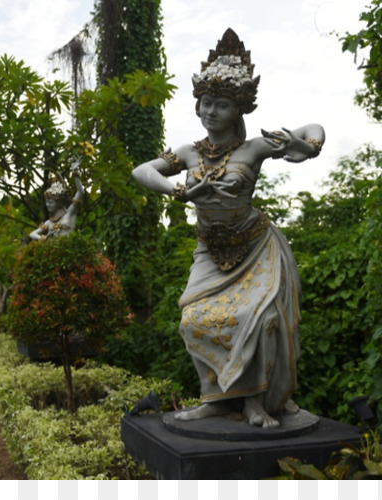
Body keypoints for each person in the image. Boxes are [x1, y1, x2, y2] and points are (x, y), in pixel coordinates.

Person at [131, 28, 325, 429]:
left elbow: (313, 129)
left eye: (221, 104)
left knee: (261, 319)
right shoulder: (188, 153)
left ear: (238, 109)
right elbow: (142, 170)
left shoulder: (252, 148)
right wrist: (179, 190)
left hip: (256, 246)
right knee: (193, 319)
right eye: (205, 103)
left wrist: (306, 146)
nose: (210, 111)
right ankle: (215, 400)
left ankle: (254, 403)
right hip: (210, 250)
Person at [29, 159, 85, 241]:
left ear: (59, 202)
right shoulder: (48, 223)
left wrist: (75, 173)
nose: (47, 205)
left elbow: (80, 192)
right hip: (53, 252)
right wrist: (42, 238)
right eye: (46, 202)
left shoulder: (69, 214)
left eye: (50, 202)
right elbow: (32, 234)